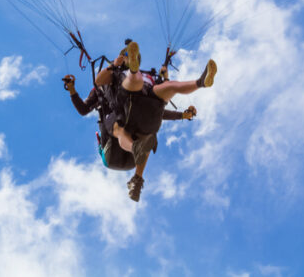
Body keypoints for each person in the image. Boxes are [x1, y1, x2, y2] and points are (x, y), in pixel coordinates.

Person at [95, 40, 216, 201]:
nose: (126, 56)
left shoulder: (151, 77)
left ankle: (202, 82)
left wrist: (181, 113)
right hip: (125, 111)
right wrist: (113, 65)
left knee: (171, 86)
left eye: (130, 54)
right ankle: (136, 161)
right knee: (134, 82)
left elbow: (161, 111)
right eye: (125, 55)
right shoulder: (116, 74)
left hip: (146, 111)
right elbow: (98, 81)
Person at [63, 72, 195, 171]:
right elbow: (83, 109)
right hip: (112, 152)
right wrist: (72, 89)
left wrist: (182, 115)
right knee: (121, 118)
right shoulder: (101, 89)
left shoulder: (129, 88)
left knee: (142, 114)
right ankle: (137, 151)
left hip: (130, 159)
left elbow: (157, 113)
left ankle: (138, 163)